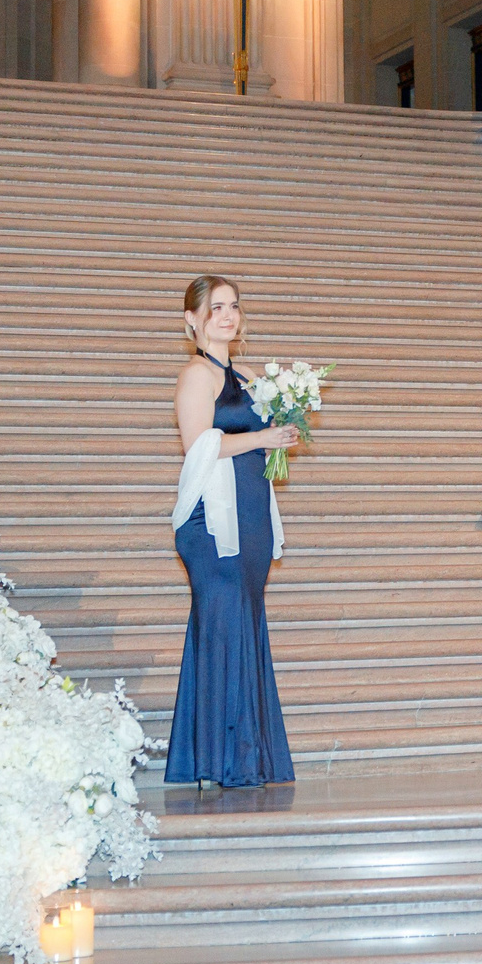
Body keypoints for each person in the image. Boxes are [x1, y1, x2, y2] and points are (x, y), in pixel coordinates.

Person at [166, 275, 300, 788]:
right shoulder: (196, 375)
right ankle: (220, 761)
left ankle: (240, 758)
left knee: (243, 625)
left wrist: (282, 434)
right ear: (192, 320)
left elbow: (255, 442)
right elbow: (198, 448)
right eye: (216, 307)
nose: (227, 315)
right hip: (211, 521)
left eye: (234, 306)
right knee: (221, 622)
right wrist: (263, 436)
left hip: (252, 515)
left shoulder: (247, 375)